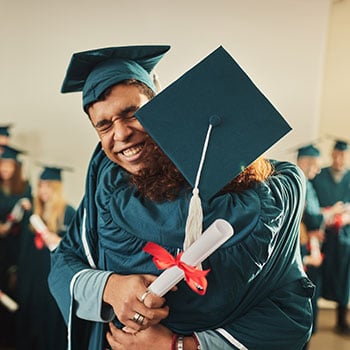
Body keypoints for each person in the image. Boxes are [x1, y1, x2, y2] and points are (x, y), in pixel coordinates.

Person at [48, 45, 314, 350]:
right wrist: (109, 287)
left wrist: (179, 345)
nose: (120, 134)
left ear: (160, 107)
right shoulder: (106, 185)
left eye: (132, 113)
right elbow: (63, 261)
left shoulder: (254, 198)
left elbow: (287, 314)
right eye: (104, 125)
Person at [16, 165, 76, 349]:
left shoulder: (69, 214)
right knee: (29, 321)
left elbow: (75, 250)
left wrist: (57, 239)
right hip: (32, 280)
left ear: (56, 188)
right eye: (40, 185)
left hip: (53, 281)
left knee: (49, 325)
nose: (43, 190)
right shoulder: (34, 213)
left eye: (48, 186)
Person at [312, 139, 350, 335]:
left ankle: (342, 322)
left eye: (342, 155)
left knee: (344, 277)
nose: (338, 158)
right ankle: (313, 320)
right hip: (321, 234)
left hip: (344, 236)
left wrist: (346, 216)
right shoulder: (319, 176)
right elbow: (311, 204)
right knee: (317, 276)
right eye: (335, 154)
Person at [0, 145, 31, 347]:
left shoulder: (24, 187)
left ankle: (14, 337)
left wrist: (28, 207)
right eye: (2, 164)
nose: (5, 169)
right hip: (0, 248)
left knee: (15, 288)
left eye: (9, 164)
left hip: (17, 247)